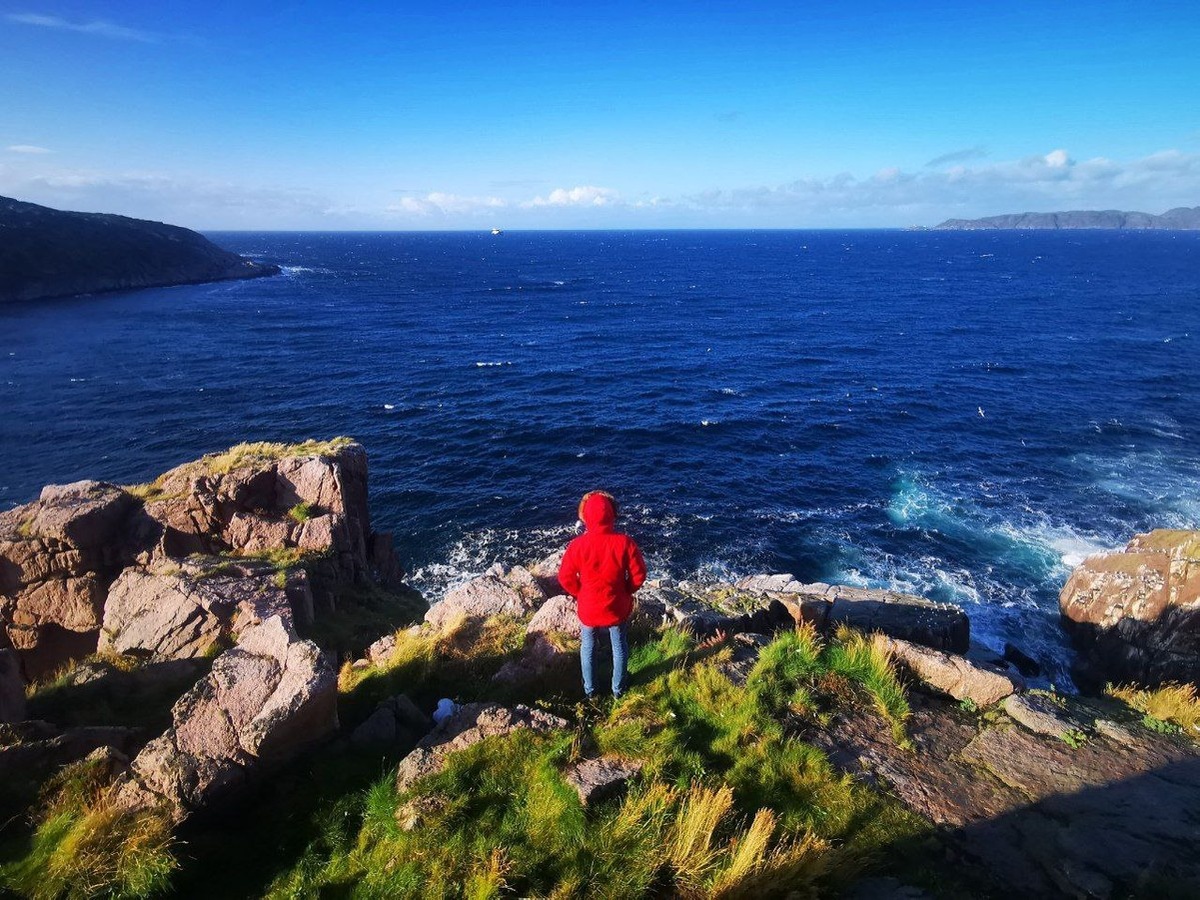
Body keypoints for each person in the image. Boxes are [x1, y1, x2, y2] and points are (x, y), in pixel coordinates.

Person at [557, 490, 647, 699]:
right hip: (616, 606)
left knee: (588, 647)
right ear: (612, 515)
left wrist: (580, 593)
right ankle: (618, 689)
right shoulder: (625, 543)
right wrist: (626, 591)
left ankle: (590, 691)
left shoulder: (577, 545)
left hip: (588, 607)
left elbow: (565, 577)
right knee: (619, 646)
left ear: (585, 517)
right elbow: (639, 575)